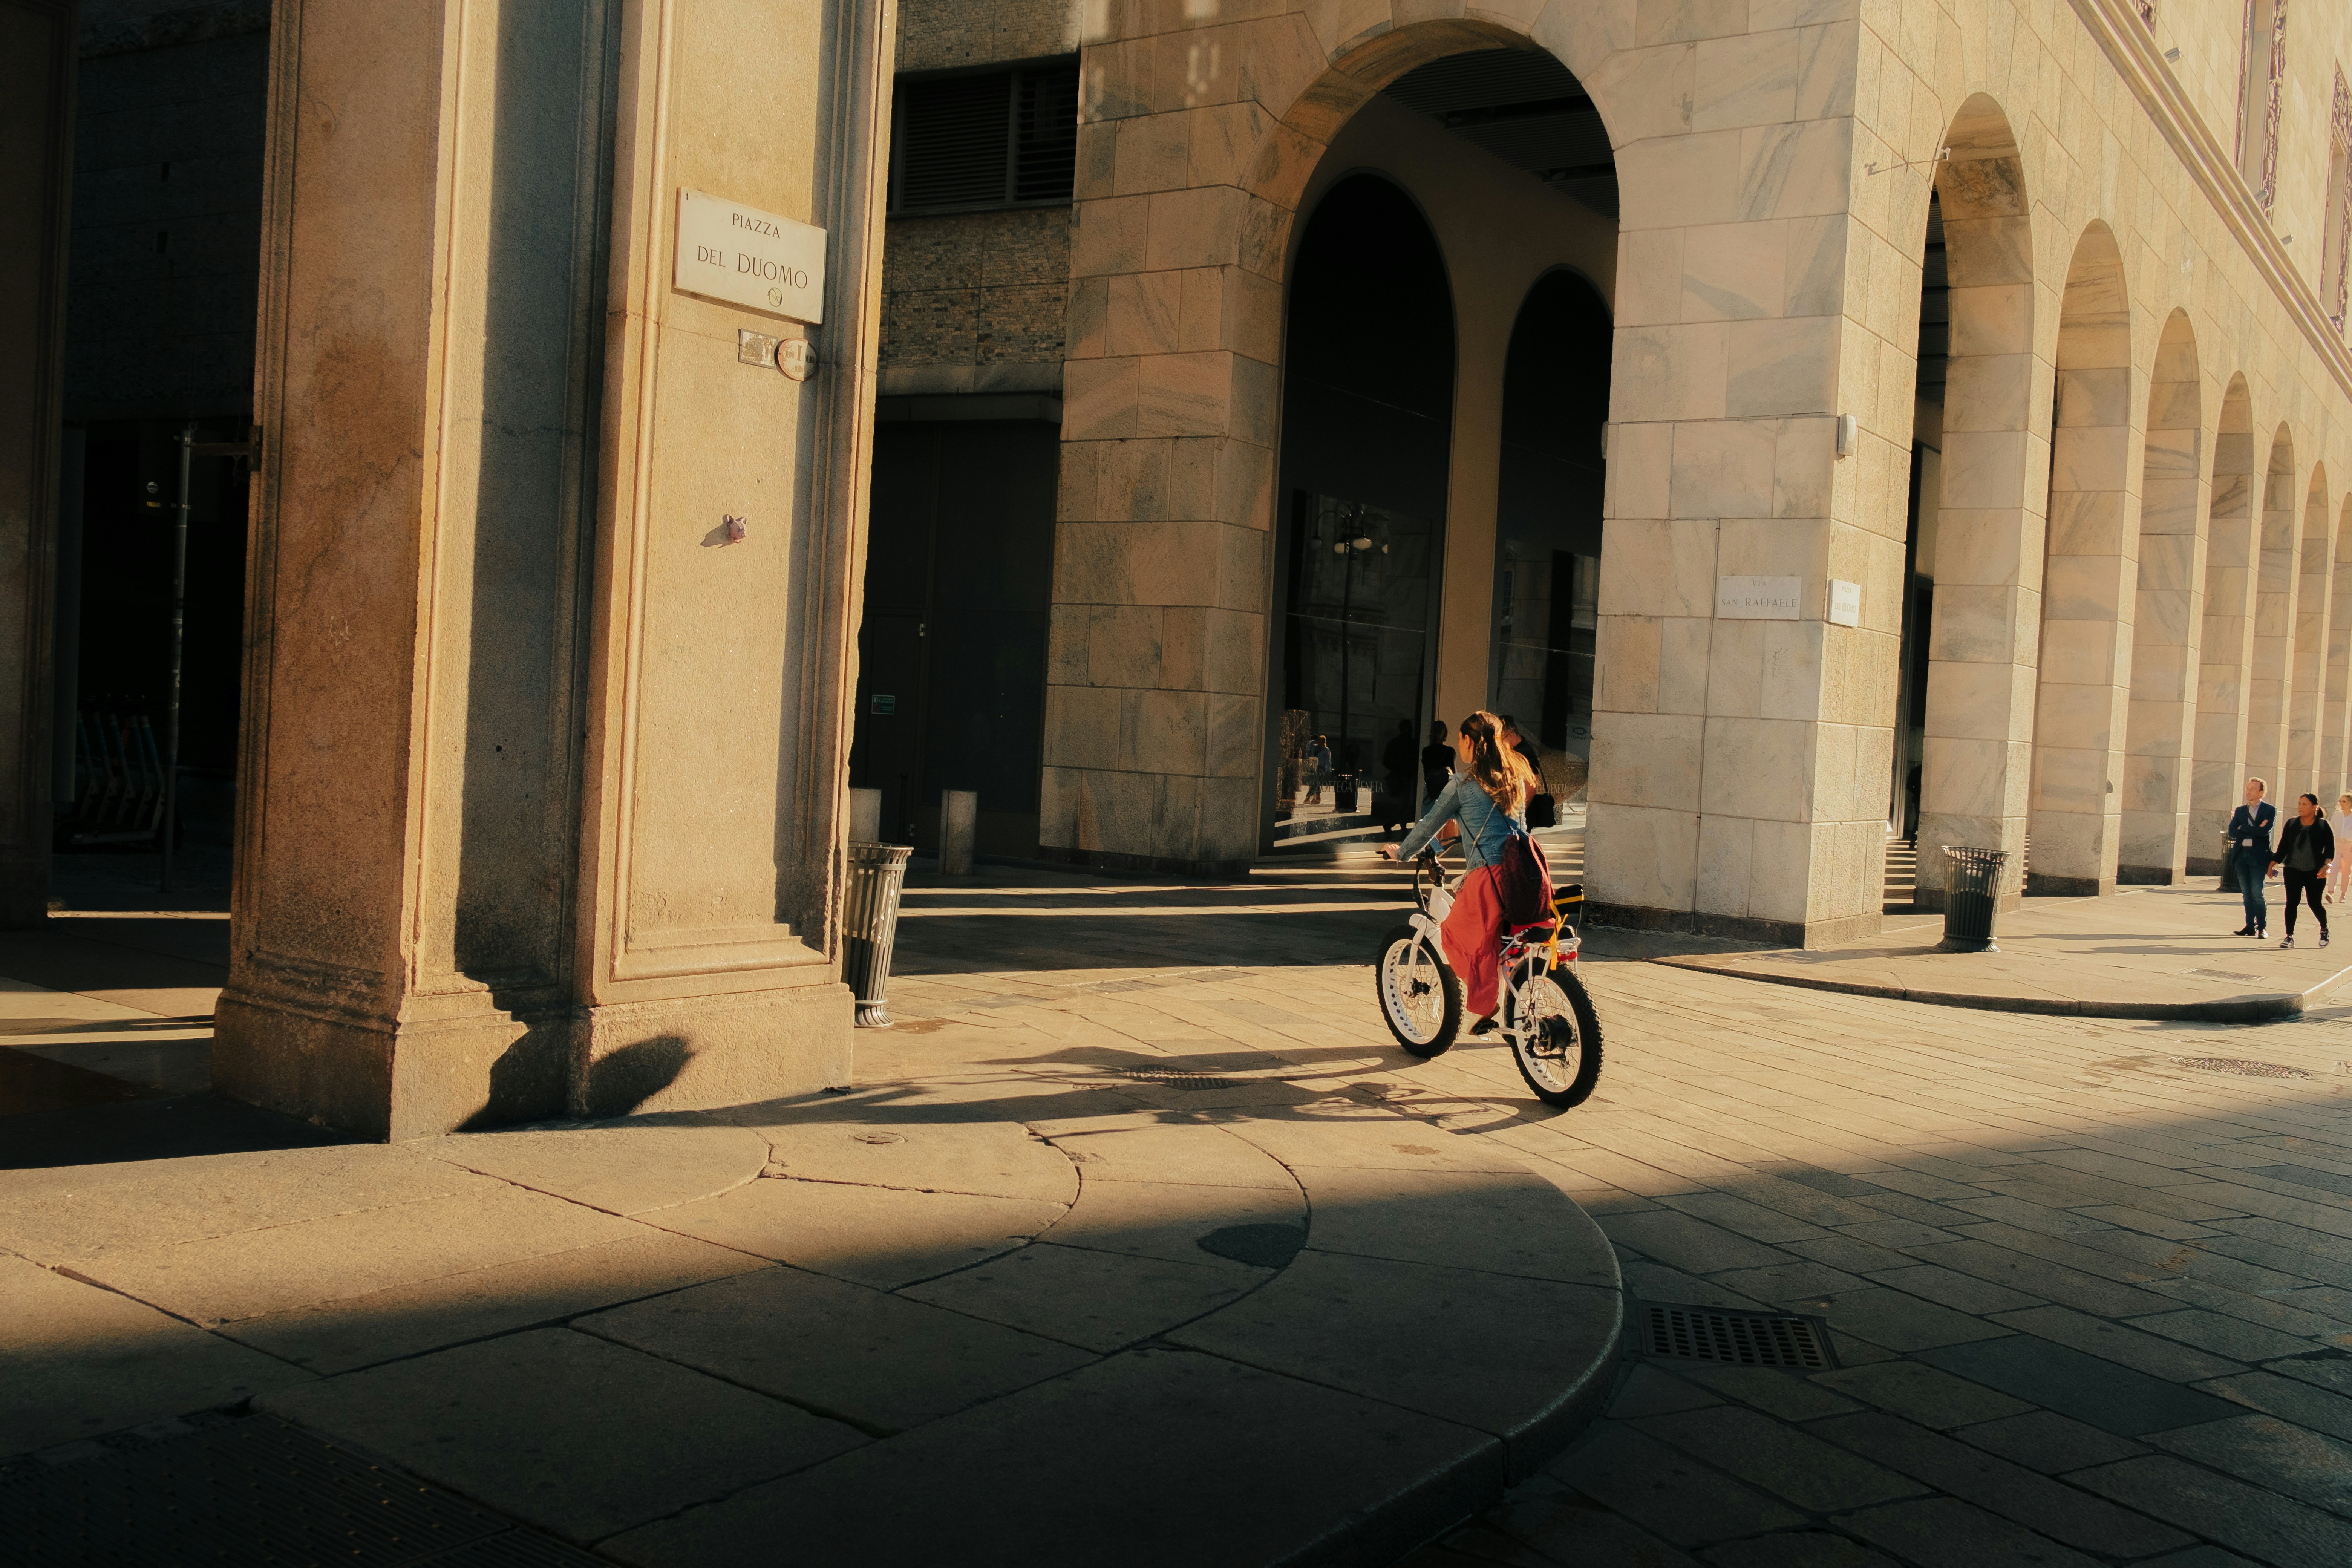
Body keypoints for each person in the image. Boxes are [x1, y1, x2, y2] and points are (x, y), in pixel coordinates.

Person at [1380, 711, 1537, 1038]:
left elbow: (1430, 823)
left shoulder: (1463, 784)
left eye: (1462, 740)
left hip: (1489, 880)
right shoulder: (1515, 777)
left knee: (1453, 937)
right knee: (1497, 935)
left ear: (1469, 742)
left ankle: (1486, 1004)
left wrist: (1402, 852)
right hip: (1525, 875)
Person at [2270, 793, 2333, 949]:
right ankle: (2289, 937)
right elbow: (2283, 847)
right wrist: (2272, 864)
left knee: (2315, 904)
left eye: (2305, 805)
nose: (2300, 807)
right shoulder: (2292, 824)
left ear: (2314, 808)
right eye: (2299, 804)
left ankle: (2324, 929)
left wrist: (2327, 866)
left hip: (2315, 872)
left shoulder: (2323, 826)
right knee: (2291, 903)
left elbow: (2330, 851)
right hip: (2293, 870)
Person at [2223, 777, 2276, 937]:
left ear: (2261, 793)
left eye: (2253, 789)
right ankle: (2249, 926)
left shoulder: (2269, 810)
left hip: (2259, 857)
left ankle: (2262, 927)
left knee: (2257, 892)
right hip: (2241, 856)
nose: (2249, 791)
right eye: (2248, 788)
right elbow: (2233, 832)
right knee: (2246, 893)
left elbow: (2264, 831)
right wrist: (2251, 829)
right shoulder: (2240, 811)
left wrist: (2244, 828)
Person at [1381, 719, 1419, 831]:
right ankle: (1393, 825)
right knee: (1404, 805)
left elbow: (1386, 761)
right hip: (1406, 777)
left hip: (1397, 776)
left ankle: (1401, 826)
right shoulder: (1412, 744)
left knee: (1403, 804)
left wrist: (1395, 768)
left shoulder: (1394, 743)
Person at [1420, 720, 1453, 801]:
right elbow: (1453, 773)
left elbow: (1426, 771)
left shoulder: (1426, 751)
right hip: (1445, 789)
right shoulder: (1449, 751)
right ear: (1445, 734)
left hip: (1430, 788)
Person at [2331, 794, 2352, 904]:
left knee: (2346, 871)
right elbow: (2331, 830)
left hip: (2349, 846)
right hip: (2337, 845)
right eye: (2340, 801)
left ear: (2350, 803)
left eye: (2344, 801)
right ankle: (2331, 892)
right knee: (2333, 869)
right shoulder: (2336, 815)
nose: (2341, 803)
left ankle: (2343, 894)